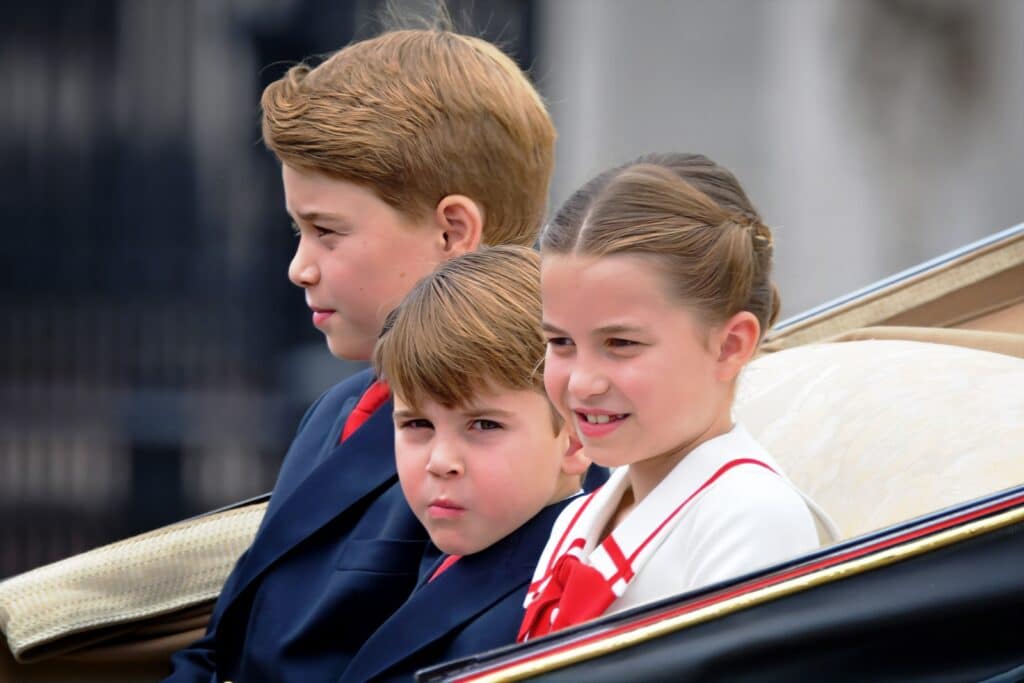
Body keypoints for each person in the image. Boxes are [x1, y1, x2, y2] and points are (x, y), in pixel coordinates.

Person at [166, 27, 561, 682]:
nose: (299, 266)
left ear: (452, 230)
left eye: (327, 231)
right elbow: (224, 643)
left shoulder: (526, 442)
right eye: (299, 230)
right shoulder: (341, 408)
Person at [518, 153, 839, 641]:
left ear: (730, 345)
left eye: (621, 344)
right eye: (561, 342)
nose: (582, 383)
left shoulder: (750, 516)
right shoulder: (577, 519)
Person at [340, 246, 590, 682]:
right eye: (417, 423)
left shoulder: (542, 613)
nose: (441, 461)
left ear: (575, 438)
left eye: (483, 425)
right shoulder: (469, 545)